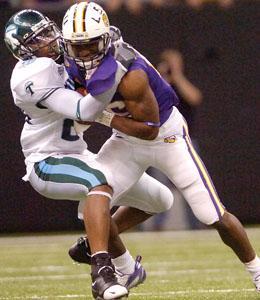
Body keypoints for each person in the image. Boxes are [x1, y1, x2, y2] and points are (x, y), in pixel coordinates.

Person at [62, 1, 260, 292]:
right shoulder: (71, 62)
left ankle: (257, 271)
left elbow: (148, 129)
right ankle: (119, 266)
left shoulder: (130, 72)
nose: (84, 54)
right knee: (93, 203)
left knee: (212, 214)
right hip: (125, 139)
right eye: (77, 47)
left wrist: (102, 116)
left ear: (105, 39)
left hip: (164, 136)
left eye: (91, 45)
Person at [4, 9, 175, 299]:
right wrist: (117, 69)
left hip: (78, 153)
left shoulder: (70, 53)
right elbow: (84, 111)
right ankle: (103, 271)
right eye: (39, 39)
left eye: (48, 30)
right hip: (46, 159)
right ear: (24, 51)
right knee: (99, 181)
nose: (50, 39)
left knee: (160, 199)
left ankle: (93, 244)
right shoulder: (31, 75)